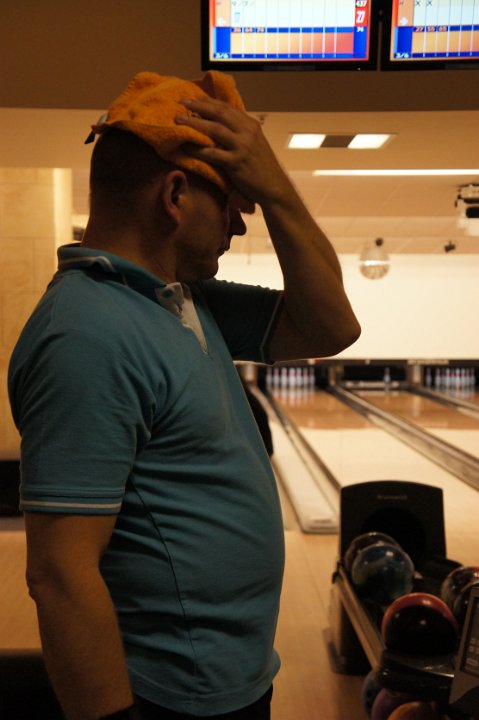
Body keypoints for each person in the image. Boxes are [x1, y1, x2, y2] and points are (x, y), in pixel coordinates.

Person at [8, 70, 360, 720]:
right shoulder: (88, 332)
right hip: (167, 697)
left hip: (226, 681)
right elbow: (58, 573)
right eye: (231, 205)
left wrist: (277, 191)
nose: (239, 227)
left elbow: (332, 327)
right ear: (174, 195)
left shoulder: (183, 300)